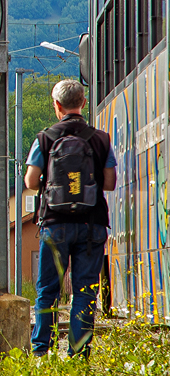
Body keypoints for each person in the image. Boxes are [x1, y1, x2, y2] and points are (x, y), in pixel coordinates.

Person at [25, 79, 117, 358]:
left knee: (48, 291)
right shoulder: (101, 139)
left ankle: (42, 352)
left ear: (57, 105)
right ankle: (78, 354)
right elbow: (110, 183)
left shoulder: (44, 138)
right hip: (91, 225)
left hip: (55, 225)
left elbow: (31, 181)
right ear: (83, 103)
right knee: (85, 292)